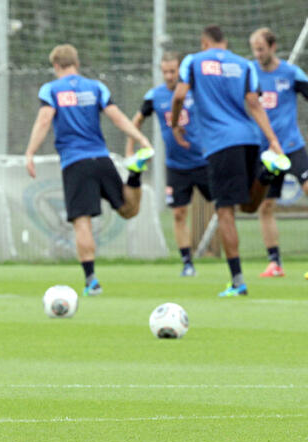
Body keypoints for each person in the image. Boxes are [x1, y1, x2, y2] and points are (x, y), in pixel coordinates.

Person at [24, 44, 153, 296]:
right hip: (102, 159)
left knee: (82, 221)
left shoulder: (51, 89)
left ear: (55, 66)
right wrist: (141, 138)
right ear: (77, 64)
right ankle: (135, 173)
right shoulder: (96, 87)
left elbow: (44, 119)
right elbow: (117, 117)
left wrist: (30, 152)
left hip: (75, 163)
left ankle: (91, 280)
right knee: (129, 209)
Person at [170, 25, 286, 297]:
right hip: (249, 138)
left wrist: (175, 124)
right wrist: (273, 140)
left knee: (225, 211)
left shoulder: (193, 61)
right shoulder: (243, 64)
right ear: (225, 42)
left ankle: (237, 281)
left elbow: (178, 96)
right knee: (247, 205)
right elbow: (254, 103)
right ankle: (266, 175)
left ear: (204, 42)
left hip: (220, 144)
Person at [126, 51, 210, 277]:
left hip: (204, 162)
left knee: (225, 208)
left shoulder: (195, 91)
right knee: (179, 213)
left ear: (180, 71)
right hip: (176, 166)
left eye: (173, 71)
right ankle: (187, 262)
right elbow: (136, 122)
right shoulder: (155, 96)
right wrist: (130, 149)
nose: (169, 76)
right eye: (165, 72)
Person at [248, 27, 308, 278]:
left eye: (261, 48)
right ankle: (274, 263)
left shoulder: (291, 73)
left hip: (291, 146)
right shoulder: (249, 73)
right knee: (265, 205)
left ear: (272, 47)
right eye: (255, 49)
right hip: (266, 153)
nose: (258, 53)